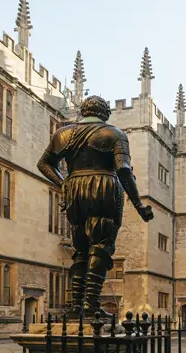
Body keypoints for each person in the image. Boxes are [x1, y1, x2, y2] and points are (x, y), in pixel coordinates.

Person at [37, 95, 153, 319]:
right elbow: (124, 170)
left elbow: (43, 164)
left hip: (75, 192)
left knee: (80, 249)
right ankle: (90, 305)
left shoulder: (62, 134)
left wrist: (64, 184)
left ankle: (75, 306)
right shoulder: (115, 134)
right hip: (104, 189)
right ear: (105, 113)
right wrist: (139, 204)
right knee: (100, 246)